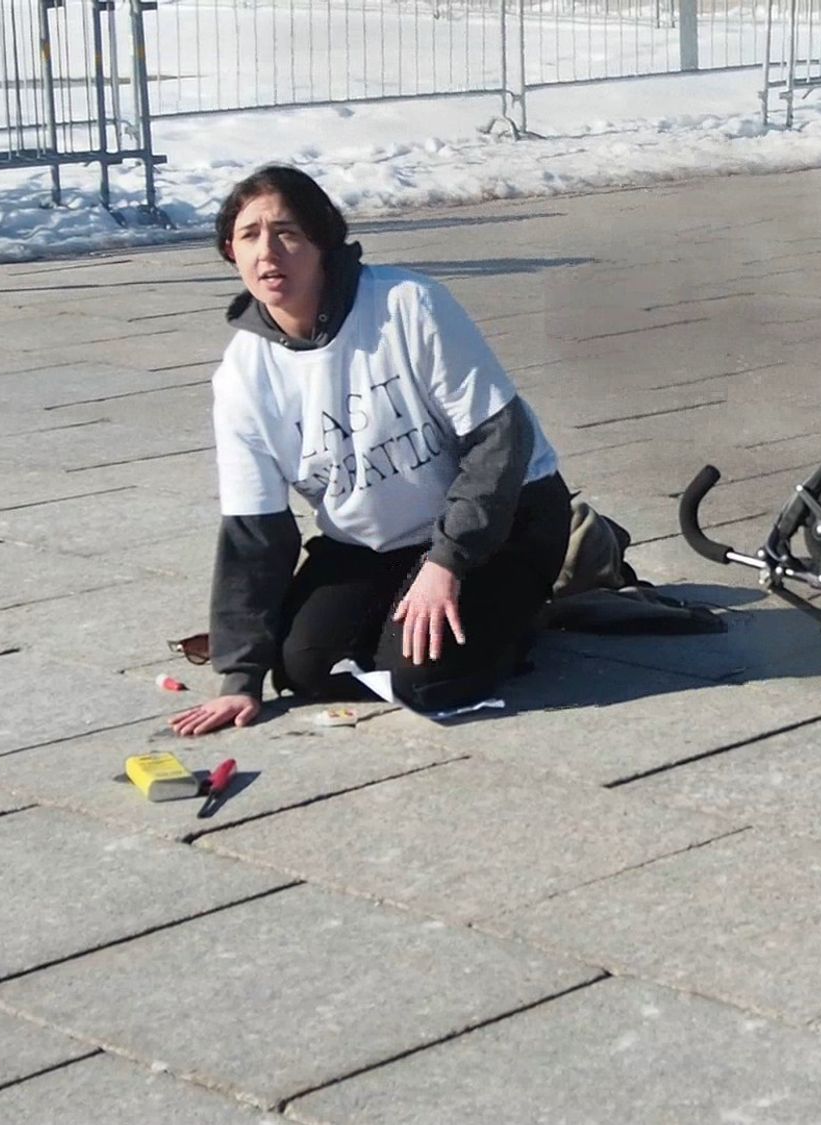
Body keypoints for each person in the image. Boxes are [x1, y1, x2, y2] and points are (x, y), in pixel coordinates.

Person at [171, 164, 571, 736]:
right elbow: (254, 533)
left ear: (322, 240)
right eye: (249, 235)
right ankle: (408, 623)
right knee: (299, 669)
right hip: (375, 542)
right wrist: (240, 678)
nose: (269, 252)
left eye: (287, 232)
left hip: (503, 521)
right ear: (230, 253)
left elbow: (500, 442)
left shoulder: (408, 304)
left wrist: (447, 562)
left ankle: (544, 589)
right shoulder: (242, 375)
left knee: (425, 680)